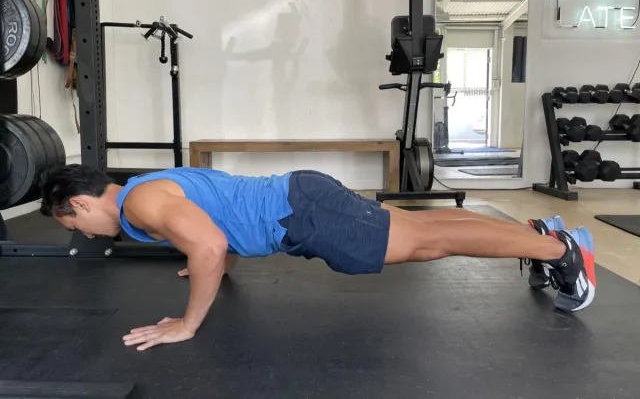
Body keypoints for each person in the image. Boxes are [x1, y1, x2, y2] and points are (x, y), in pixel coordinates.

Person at [39, 165, 596, 351]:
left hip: (302, 215)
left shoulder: (140, 202)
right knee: (423, 228)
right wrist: (208, 259)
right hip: (300, 198)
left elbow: (208, 243)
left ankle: (560, 250)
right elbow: (213, 228)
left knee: (430, 243)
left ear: (84, 202)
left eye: (73, 223)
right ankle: (539, 234)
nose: (83, 235)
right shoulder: (146, 187)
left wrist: (187, 323)